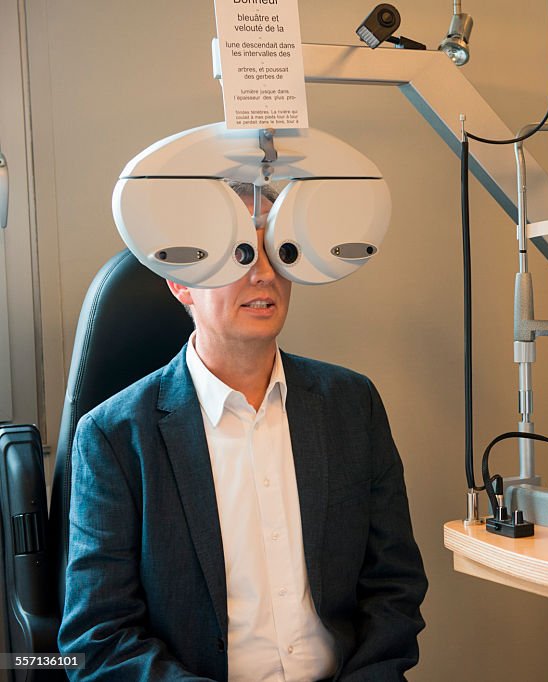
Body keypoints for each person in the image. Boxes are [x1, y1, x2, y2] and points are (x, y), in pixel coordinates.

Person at [59, 183, 428, 681]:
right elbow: (98, 637)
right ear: (181, 283)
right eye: (238, 254)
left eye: (277, 251)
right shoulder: (114, 437)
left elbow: (394, 587)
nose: (264, 273)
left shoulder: (351, 404)